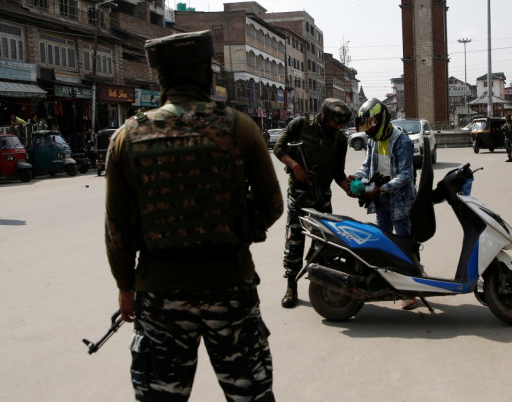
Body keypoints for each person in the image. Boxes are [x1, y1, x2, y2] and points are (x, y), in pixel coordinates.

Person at [104, 31, 283, 401]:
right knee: (250, 395)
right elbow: (272, 205)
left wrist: (125, 287)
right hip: (231, 287)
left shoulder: (127, 136)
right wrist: (234, 231)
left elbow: (117, 229)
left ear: (161, 79)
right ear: (207, 75)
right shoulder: (240, 126)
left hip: (159, 292)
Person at [274, 97, 354, 308]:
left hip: (322, 198)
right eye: (335, 122)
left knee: (323, 243)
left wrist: (348, 187)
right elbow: (278, 149)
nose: (338, 127)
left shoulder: (340, 139)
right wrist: (295, 166)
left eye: (341, 124)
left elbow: (338, 173)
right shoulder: (299, 125)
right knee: (294, 242)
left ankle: (319, 283)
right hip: (298, 196)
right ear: (324, 116)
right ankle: (291, 286)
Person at [351, 98, 418, 310]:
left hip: (400, 201)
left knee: (404, 243)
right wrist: (357, 178)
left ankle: (411, 289)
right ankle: (390, 284)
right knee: (384, 242)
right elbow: (367, 165)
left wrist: (380, 189)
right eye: (366, 124)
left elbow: (406, 175)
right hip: (380, 200)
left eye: (371, 123)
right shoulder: (372, 140)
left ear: (381, 119)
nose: (368, 128)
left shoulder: (401, 140)